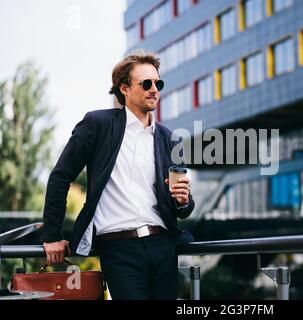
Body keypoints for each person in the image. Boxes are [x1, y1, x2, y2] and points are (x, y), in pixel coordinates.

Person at [41, 51, 195, 300]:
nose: (154, 89)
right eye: (146, 83)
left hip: (163, 245)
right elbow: (60, 176)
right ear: (124, 88)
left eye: (158, 83)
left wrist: (183, 200)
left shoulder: (169, 139)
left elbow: (184, 208)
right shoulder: (97, 124)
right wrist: (52, 235)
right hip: (119, 248)